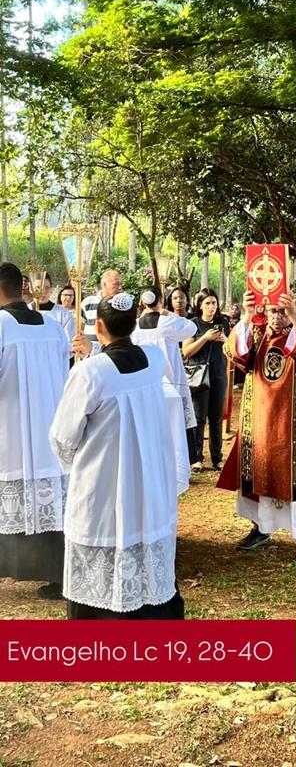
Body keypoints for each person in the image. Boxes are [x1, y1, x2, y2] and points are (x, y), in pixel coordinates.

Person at [49, 292, 184, 620]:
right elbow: (120, 367)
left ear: (98, 326)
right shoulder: (153, 359)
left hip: (104, 480)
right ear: (134, 323)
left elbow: (62, 437)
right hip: (147, 478)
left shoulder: (88, 373)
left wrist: (72, 465)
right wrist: (94, 354)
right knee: (143, 533)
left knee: (103, 539)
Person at [218, 290, 296, 570]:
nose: (276, 317)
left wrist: (295, 316)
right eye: (272, 311)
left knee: (295, 476)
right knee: (259, 468)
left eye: (281, 312)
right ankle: (261, 527)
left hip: (291, 420)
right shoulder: (257, 334)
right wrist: (246, 315)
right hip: (258, 417)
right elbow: (232, 352)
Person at [0, 262, 69, 597]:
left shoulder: (1, 325)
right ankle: (57, 572)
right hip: (49, 426)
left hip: (10, 429)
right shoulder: (53, 326)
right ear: (22, 288)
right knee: (51, 500)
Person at [132, 286, 197, 493]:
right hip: (170, 384)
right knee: (173, 427)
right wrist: (168, 313)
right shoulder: (167, 322)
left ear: (143, 302)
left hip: (146, 383)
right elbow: (191, 328)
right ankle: (175, 467)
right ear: (161, 300)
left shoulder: (135, 326)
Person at [182, 289, 229, 471]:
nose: (211, 307)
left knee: (216, 417)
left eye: (214, 303)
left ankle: (217, 458)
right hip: (199, 375)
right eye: (207, 303)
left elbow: (231, 347)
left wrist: (225, 339)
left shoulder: (223, 322)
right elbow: (186, 351)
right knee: (199, 417)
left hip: (218, 374)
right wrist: (205, 338)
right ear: (200, 305)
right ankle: (197, 458)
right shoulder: (192, 324)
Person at [80, 268, 123, 344]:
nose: (120, 287)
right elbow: (79, 326)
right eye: (116, 284)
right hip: (89, 348)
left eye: (120, 284)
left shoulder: (122, 304)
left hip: (113, 347)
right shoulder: (88, 302)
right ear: (104, 284)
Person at [34, 273, 75, 347]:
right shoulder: (24, 311)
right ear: (31, 289)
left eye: (46, 288)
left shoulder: (63, 314)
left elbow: (69, 342)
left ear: (51, 289)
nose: (42, 292)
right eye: (38, 288)